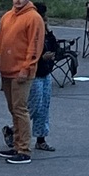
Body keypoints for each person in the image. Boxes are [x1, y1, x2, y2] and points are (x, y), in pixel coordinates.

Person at [0, 0, 46, 165]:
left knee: (20, 109)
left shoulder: (33, 18)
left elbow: (34, 45)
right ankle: (16, 144)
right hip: (6, 70)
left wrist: (26, 67)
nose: (18, 0)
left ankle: (24, 149)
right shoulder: (7, 17)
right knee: (13, 110)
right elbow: (0, 42)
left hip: (22, 72)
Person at [29, 22, 58, 153]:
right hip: (34, 74)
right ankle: (13, 130)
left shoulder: (47, 36)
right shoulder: (31, 36)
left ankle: (41, 139)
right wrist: (41, 58)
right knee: (34, 106)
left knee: (44, 107)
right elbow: (28, 55)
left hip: (45, 73)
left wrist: (49, 33)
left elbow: (56, 48)